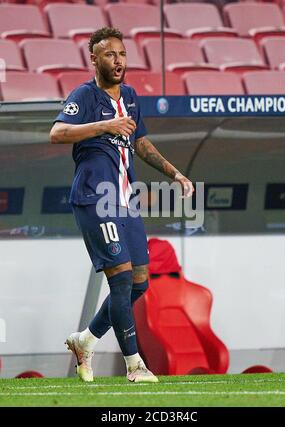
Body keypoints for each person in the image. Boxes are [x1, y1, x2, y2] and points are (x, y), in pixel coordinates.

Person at [49, 27, 193, 383]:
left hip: (125, 203)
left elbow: (140, 142)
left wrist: (174, 172)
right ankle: (135, 366)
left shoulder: (129, 95)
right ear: (94, 59)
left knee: (140, 283)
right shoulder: (84, 95)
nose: (118, 60)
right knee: (122, 279)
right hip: (94, 198)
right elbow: (57, 133)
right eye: (110, 54)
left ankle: (86, 340)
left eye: (122, 54)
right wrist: (105, 125)